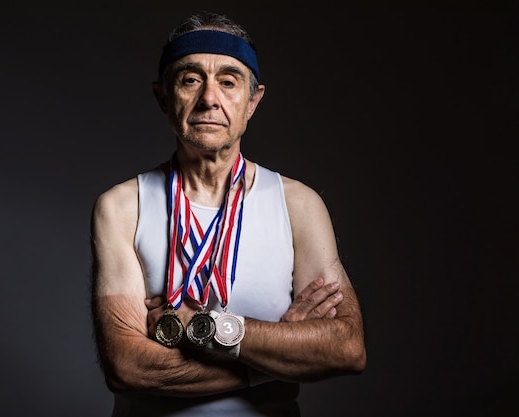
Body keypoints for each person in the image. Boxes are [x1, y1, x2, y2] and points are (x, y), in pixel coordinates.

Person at [90, 11, 366, 416]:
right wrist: (277, 357)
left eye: (228, 81)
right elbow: (127, 367)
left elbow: (345, 347)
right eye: (190, 79)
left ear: (252, 101)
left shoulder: (298, 204)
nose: (209, 99)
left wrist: (202, 327)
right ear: (164, 97)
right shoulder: (121, 207)